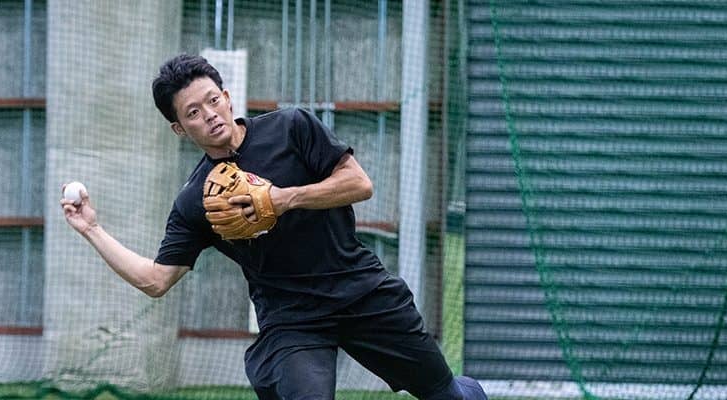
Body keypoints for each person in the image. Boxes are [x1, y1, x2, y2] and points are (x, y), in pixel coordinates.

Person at [60, 53, 487, 400]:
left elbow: (359, 184)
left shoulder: (291, 128)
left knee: (445, 394)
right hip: (292, 320)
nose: (209, 115)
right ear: (179, 128)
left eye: (213, 100)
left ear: (228, 97)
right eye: (193, 112)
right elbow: (156, 280)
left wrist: (283, 198)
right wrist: (92, 229)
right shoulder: (195, 200)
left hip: (361, 290)